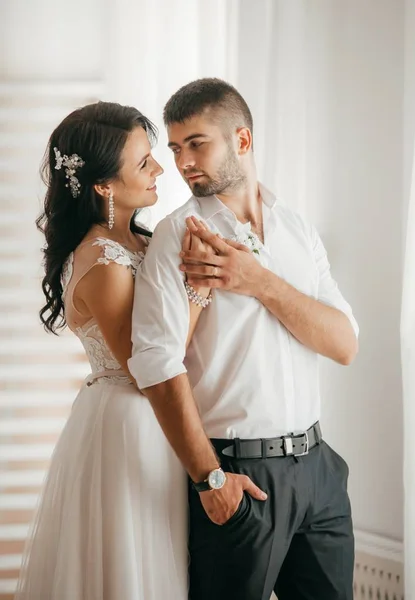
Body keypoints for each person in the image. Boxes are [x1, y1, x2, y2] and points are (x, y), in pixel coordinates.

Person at [129, 78, 360, 600]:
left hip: (319, 471)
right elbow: (156, 364)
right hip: (239, 476)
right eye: (175, 148)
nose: (184, 161)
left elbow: (344, 343)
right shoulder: (178, 234)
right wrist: (211, 479)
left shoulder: (298, 229)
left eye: (197, 144)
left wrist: (257, 281)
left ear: (242, 141)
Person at [15, 101, 215, 600]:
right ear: (103, 185)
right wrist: (198, 290)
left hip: (157, 420)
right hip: (130, 422)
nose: (160, 169)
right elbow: (147, 362)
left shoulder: (141, 241)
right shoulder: (101, 259)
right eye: (144, 162)